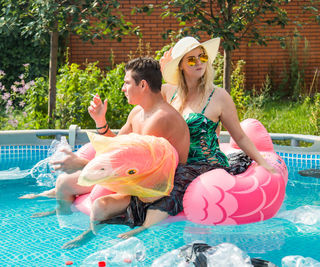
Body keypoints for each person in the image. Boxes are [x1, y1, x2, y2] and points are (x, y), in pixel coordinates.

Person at [20, 57, 191, 248]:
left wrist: (82, 164)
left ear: (142, 85)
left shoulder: (161, 118)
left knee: (100, 207)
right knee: (63, 183)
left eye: (126, 83)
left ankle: (90, 237)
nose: (122, 88)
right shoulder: (138, 112)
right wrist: (100, 121)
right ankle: (64, 221)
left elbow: (133, 165)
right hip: (135, 176)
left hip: (154, 185)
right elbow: (117, 145)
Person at [160, 36, 276, 173]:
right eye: (191, 60)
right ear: (180, 65)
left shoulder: (219, 96)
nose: (198, 62)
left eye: (202, 57)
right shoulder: (168, 92)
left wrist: (263, 163)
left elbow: (240, 136)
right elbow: (146, 106)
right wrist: (161, 69)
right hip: (177, 166)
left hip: (207, 168)